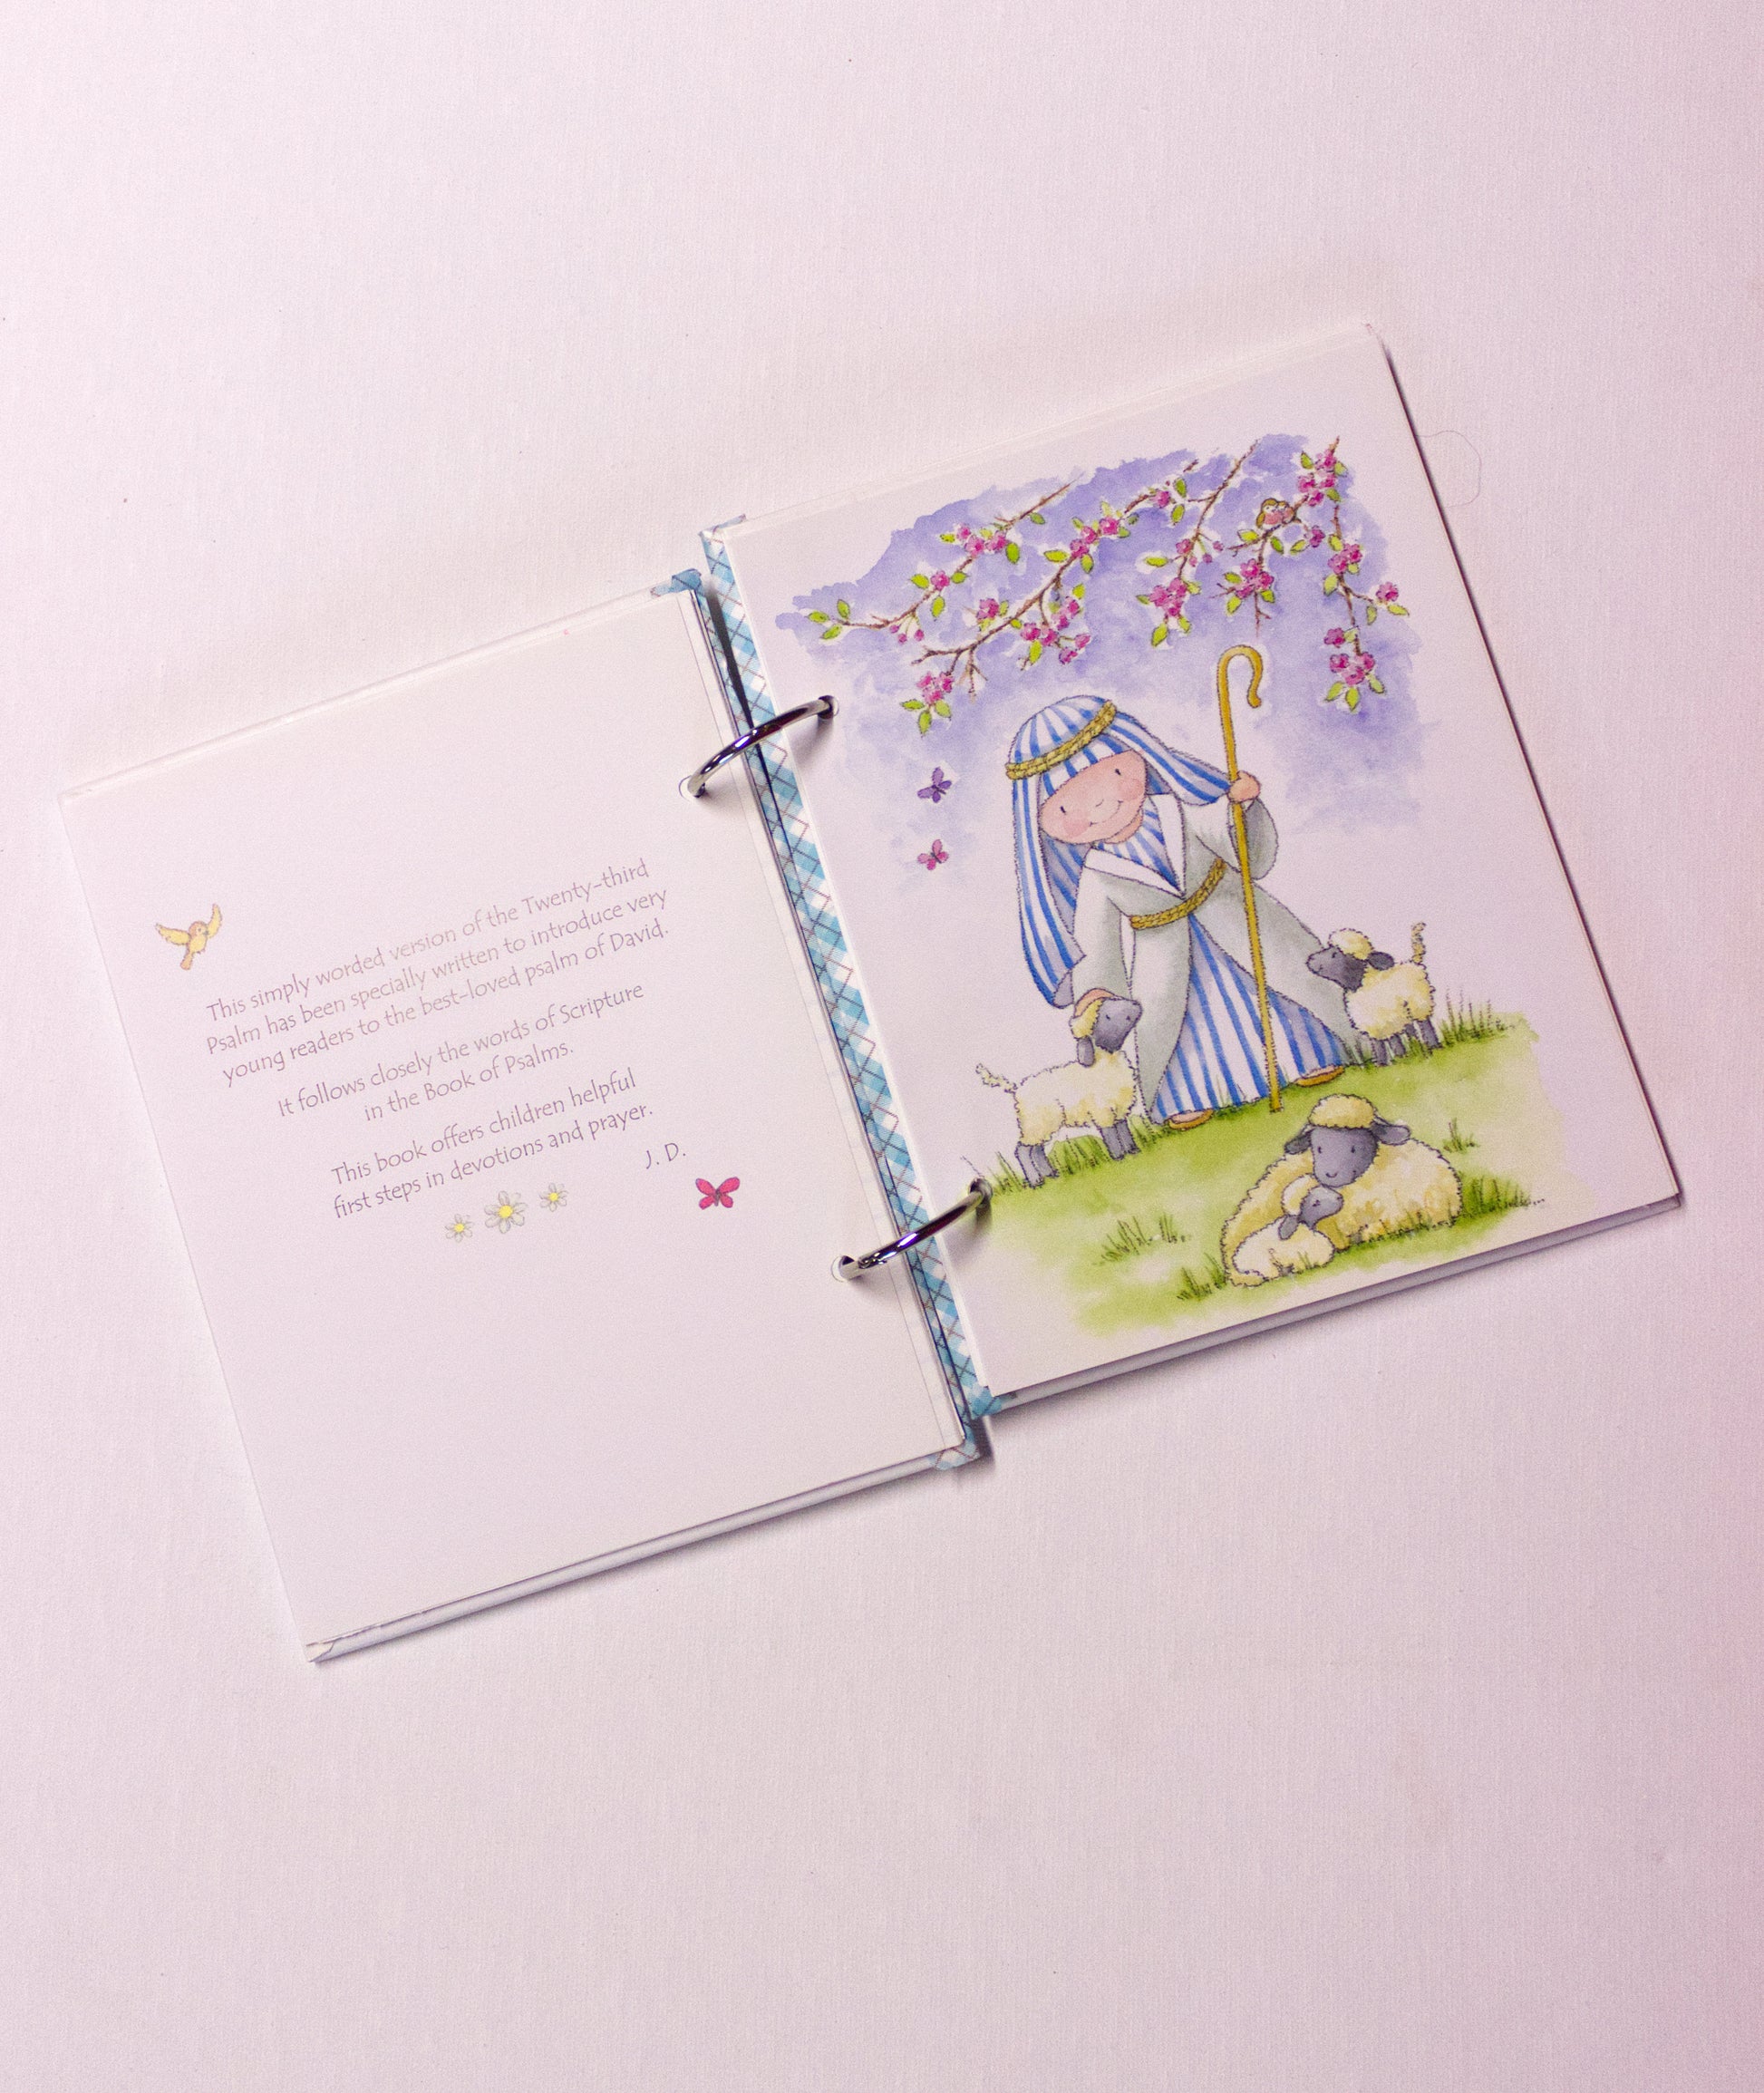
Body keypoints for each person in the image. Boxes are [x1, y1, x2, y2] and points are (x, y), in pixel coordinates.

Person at [1007, 694, 1359, 1127]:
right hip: (1162, 953)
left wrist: (1240, 807)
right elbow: (1096, 938)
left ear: (1139, 759)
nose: (1099, 805)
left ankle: (1310, 1054)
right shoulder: (1096, 873)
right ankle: (1191, 1094)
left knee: (1276, 980)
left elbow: (1228, 834)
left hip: (1231, 912)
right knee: (1176, 1022)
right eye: (1066, 808)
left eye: (1114, 775)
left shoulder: (1181, 812)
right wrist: (1097, 989)